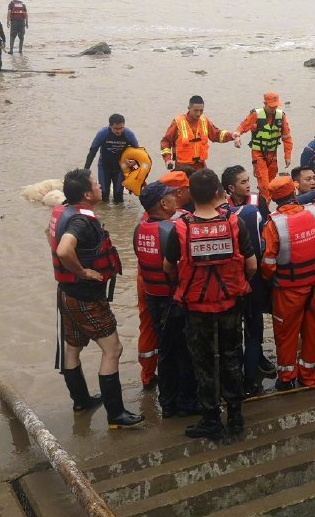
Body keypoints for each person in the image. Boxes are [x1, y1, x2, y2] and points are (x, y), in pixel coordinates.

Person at [163, 169, 257, 440]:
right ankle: (236, 418)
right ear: (219, 193)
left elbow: (168, 266)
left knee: (203, 363)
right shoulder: (234, 223)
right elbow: (251, 265)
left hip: (196, 307)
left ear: (190, 195)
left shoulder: (180, 227)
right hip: (230, 304)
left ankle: (211, 420)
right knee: (232, 357)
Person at [47, 169, 143, 429]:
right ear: (87, 195)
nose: (101, 186)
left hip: (66, 293)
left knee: (72, 348)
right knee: (113, 350)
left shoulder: (63, 211)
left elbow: (49, 235)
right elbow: (64, 249)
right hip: (86, 296)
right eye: (96, 184)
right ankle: (116, 415)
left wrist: (72, 270)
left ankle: (81, 402)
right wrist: (82, 271)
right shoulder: (81, 221)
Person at [133, 181, 197, 417]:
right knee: (184, 353)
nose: (175, 200)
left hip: (153, 298)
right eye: (171, 196)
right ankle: (186, 403)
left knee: (165, 352)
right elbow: (181, 267)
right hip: (174, 301)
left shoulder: (140, 228)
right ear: (162, 203)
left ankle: (167, 403)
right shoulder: (171, 230)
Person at [261, 175, 315, 389]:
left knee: (286, 333)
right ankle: (309, 375)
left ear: (274, 199)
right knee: (313, 330)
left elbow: (268, 262)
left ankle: (287, 378)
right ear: (293, 193)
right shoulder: (314, 212)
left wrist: (269, 281)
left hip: (288, 290)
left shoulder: (273, 224)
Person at [221, 165, 275, 394]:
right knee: (234, 327)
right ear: (230, 188)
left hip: (256, 274)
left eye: (248, 180)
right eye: (243, 182)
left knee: (255, 323)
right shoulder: (221, 208)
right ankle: (239, 372)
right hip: (233, 277)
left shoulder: (257, 201)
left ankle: (257, 359)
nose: (248, 185)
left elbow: (269, 230)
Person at [237, 92, 294, 201]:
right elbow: (242, 127)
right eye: (271, 106)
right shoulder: (256, 114)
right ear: (265, 103)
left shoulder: (281, 116)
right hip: (258, 155)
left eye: (275, 106)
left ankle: (262, 205)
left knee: (271, 185)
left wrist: (287, 155)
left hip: (272, 156)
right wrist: (237, 135)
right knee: (264, 184)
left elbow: (286, 137)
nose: (273, 109)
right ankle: (264, 208)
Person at [160, 95, 241, 170]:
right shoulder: (178, 122)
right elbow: (166, 141)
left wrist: (232, 135)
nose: (198, 113)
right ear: (189, 108)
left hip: (200, 166)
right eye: (196, 110)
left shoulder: (204, 121)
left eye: (201, 110)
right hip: (182, 167)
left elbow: (217, 134)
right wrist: (167, 159)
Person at [84, 114, 140, 204]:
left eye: (121, 128)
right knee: (103, 195)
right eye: (116, 128)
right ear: (110, 126)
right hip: (104, 166)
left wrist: (134, 171)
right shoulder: (102, 133)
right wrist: (86, 170)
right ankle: (106, 213)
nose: (119, 131)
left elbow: (138, 153)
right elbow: (92, 151)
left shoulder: (129, 134)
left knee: (118, 196)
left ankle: (119, 212)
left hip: (120, 168)